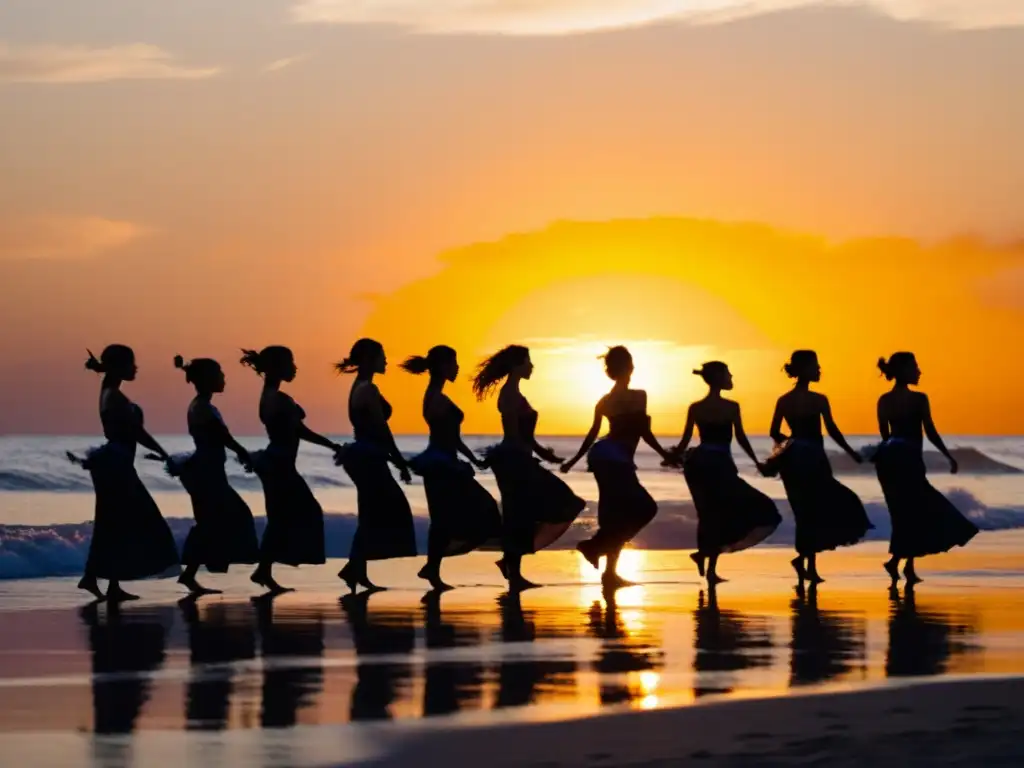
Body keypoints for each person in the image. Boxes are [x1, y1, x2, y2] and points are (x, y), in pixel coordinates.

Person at [69, 345, 179, 601]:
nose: (135, 368)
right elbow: (137, 433)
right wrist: (163, 453)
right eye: (131, 363)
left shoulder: (111, 393)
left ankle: (104, 582)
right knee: (139, 521)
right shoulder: (114, 397)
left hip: (117, 465)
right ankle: (96, 578)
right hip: (115, 467)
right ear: (118, 367)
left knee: (117, 525)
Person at [472, 345, 586, 591]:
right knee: (526, 512)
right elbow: (513, 436)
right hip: (514, 463)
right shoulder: (509, 396)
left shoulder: (516, 394)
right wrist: (524, 460)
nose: (531, 366)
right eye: (528, 361)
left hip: (519, 460)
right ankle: (513, 572)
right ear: (517, 365)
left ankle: (511, 566)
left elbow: (527, 438)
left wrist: (545, 454)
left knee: (524, 514)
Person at [561, 346, 675, 589]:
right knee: (646, 508)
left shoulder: (604, 400)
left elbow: (592, 435)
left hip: (600, 455)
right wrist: (666, 455)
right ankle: (594, 547)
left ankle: (609, 574)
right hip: (616, 457)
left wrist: (573, 461)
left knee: (615, 515)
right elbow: (644, 431)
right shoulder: (639, 395)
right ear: (630, 368)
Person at [241, 346, 343, 593]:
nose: (295, 368)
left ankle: (264, 570)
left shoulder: (269, 395)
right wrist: (330, 444)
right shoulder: (277, 399)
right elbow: (299, 431)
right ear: (277, 367)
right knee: (304, 513)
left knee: (281, 518)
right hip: (279, 465)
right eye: (291, 363)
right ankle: (265, 569)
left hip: (276, 463)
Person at [767, 350, 872, 584]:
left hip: (794, 460)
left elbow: (774, 432)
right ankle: (808, 566)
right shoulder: (818, 400)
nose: (819, 370)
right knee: (816, 510)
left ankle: (804, 562)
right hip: (813, 458)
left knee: (805, 512)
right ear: (804, 369)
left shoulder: (784, 400)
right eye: (815, 366)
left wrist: (790, 445)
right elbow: (832, 430)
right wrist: (851, 452)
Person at [671, 361, 781, 584]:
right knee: (743, 510)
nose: (731, 377)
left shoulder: (696, 407)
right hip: (719, 464)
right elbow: (740, 438)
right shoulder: (732, 407)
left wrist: (673, 456)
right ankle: (708, 565)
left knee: (709, 514)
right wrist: (756, 463)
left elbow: (684, 442)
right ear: (719, 377)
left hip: (699, 464)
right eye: (728, 373)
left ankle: (706, 561)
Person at [402, 345, 501, 590]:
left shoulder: (437, 396)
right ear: (442, 366)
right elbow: (445, 437)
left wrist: (473, 459)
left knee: (446, 518)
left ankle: (432, 569)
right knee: (475, 509)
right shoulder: (435, 398)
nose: (457, 367)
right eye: (453, 363)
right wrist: (458, 462)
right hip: (440, 464)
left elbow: (454, 439)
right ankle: (432, 569)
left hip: (444, 462)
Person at [873, 353, 978, 584]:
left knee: (905, 514)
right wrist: (948, 456)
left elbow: (885, 438)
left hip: (890, 464)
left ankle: (901, 565)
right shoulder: (919, 399)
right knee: (915, 512)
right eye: (915, 367)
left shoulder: (884, 400)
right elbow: (929, 432)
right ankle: (902, 565)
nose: (919, 372)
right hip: (908, 462)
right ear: (903, 371)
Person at [169, 355, 259, 595]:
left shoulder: (203, 406)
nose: (224, 378)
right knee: (231, 517)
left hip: (209, 472)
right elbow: (223, 438)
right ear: (208, 379)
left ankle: (191, 574)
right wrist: (244, 454)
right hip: (206, 474)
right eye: (219, 373)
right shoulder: (202, 408)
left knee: (214, 522)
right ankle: (191, 572)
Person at [336, 338, 417, 592]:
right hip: (368, 458)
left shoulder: (361, 386)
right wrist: (400, 460)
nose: (386, 361)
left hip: (367, 456)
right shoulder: (367, 390)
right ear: (370, 359)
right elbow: (382, 428)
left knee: (372, 512)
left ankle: (355, 569)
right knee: (389, 509)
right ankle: (353, 568)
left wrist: (392, 458)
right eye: (382, 356)